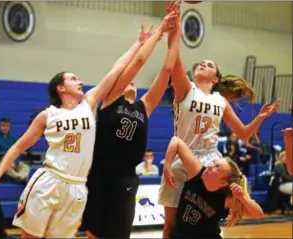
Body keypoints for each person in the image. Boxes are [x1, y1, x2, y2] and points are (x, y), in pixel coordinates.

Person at [0, 26, 151, 239]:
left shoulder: (88, 103)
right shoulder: (47, 115)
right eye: (73, 79)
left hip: (78, 187)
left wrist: (139, 43)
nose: (80, 81)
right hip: (50, 180)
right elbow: (19, 145)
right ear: (60, 88)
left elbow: (117, 70)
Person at [159, 2, 280, 237]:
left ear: (215, 79)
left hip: (210, 163)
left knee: (208, 218)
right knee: (170, 225)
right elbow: (174, 59)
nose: (203, 64)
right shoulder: (186, 88)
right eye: (201, 63)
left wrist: (261, 118)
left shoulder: (220, 101)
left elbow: (244, 133)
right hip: (184, 158)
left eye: (209, 65)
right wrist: (175, 25)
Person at [81, 8, 180, 239]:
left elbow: (167, 71)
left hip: (126, 178)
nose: (132, 80)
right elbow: (137, 61)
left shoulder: (144, 106)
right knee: (95, 234)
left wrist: (175, 37)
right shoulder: (112, 98)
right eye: (129, 78)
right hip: (100, 174)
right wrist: (160, 31)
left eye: (135, 81)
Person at [164, 137, 263, 238]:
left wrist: (244, 198)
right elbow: (176, 141)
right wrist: (167, 166)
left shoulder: (227, 198)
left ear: (223, 182)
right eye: (214, 163)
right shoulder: (196, 172)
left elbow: (258, 215)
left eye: (217, 168)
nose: (211, 166)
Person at [0, 117, 30, 183]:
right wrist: (4, 159)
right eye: (3, 125)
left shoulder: (13, 137)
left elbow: (18, 151)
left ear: (10, 126)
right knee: (5, 167)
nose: (5, 128)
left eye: (7, 126)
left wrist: (15, 162)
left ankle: (20, 177)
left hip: (12, 160)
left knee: (25, 167)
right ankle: (20, 178)